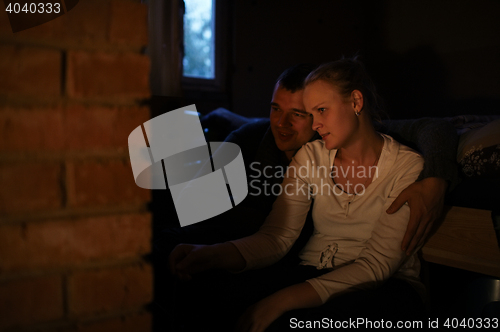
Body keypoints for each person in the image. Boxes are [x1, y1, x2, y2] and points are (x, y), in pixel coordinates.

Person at [167, 59, 451, 331]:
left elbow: (377, 265)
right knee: (208, 291)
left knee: (286, 323)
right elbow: (277, 237)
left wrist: (279, 302)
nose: (315, 125)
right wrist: (211, 255)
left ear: (356, 102)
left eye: (321, 111)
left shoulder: (406, 165)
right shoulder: (310, 156)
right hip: (310, 270)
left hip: (387, 287)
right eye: (311, 115)